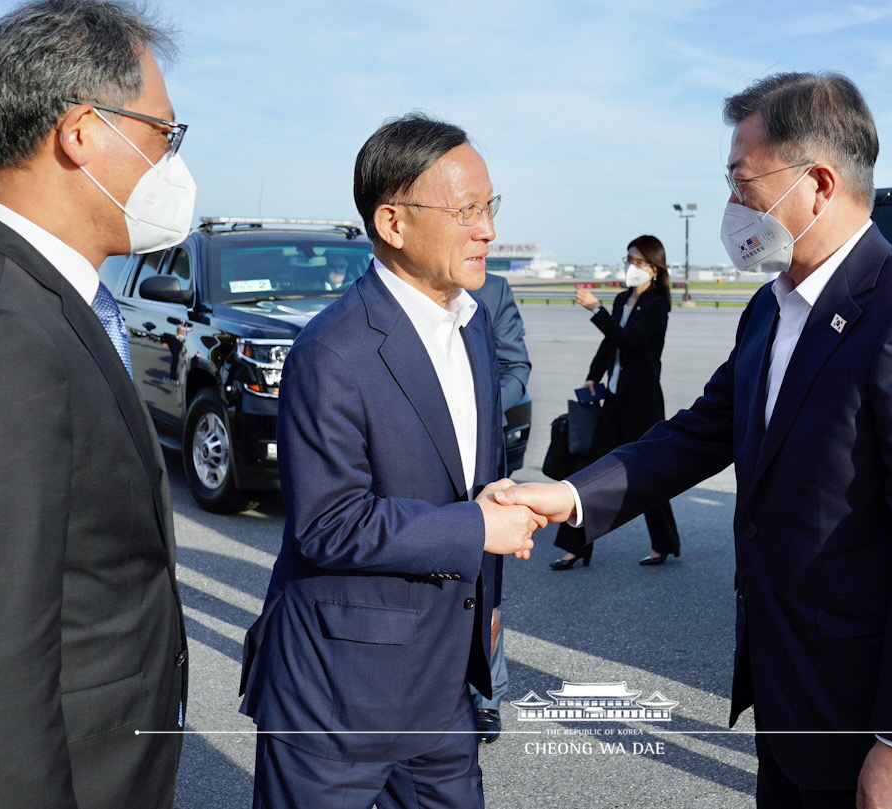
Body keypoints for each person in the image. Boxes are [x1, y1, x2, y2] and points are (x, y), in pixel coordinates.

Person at [498, 71, 892, 809]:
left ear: (820, 183)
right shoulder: (772, 309)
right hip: (789, 691)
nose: (734, 204)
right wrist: (570, 495)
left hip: (873, 718)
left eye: (742, 182)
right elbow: (696, 435)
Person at [238, 113, 541, 809]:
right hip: (335, 693)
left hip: (442, 689)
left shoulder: (473, 327)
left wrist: (489, 593)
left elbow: (469, 473)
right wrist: (475, 529)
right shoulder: (332, 350)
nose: (487, 229)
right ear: (393, 223)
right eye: (466, 210)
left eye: (490, 206)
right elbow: (328, 522)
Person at [0, 3, 191, 808]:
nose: (171, 163)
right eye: (163, 134)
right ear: (82, 132)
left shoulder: (53, 299)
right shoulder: (14, 329)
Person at [549, 235, 681, 570]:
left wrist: (596, 309)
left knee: (649, 471)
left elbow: (630, 342)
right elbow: (611, 345)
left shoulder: (657, 305)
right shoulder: (623, 299)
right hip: (615, 397)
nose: (630, 267)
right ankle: (576, 547)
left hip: (643, 400)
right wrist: (594, 374)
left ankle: (663, 542)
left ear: (654, 268)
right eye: (629, 260)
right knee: (590, 470)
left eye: (638, 262)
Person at [468, 271, 533, 744]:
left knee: (485, 585)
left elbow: (516, 367)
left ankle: (488, 696)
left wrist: (480, 406)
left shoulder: (492, 289)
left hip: (479, 459)